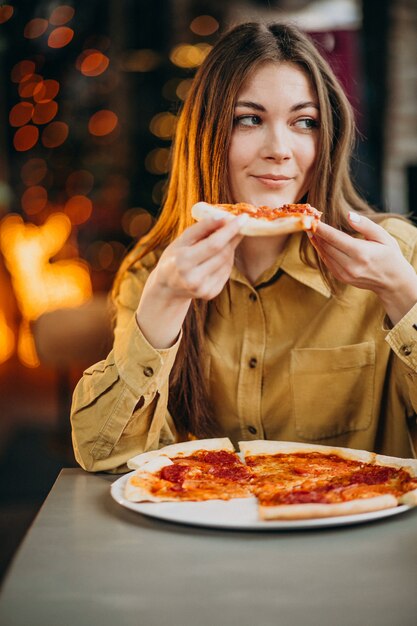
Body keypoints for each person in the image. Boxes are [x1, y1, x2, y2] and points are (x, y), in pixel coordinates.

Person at [70, 21, 417, 473]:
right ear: (208, 133)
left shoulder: (397, 254)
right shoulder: (155, 272)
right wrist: (163, 304)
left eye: (304, 122)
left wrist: (404, 297)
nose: (279, 149)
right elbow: (104, 457)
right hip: (208, 530)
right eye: (249, 119)